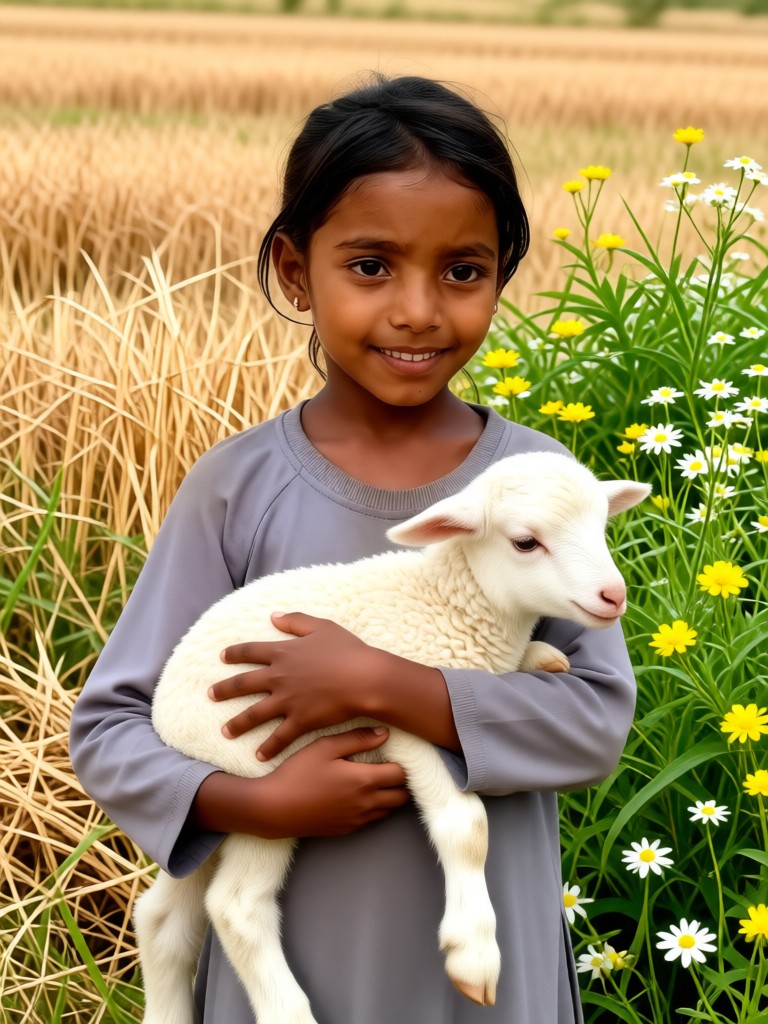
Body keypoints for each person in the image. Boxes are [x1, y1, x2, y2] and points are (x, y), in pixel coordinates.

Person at [69, 74, 636, 1023]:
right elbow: (112, 726)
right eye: (371, 266)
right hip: (295, 970)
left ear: (503, 273)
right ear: (296, 271)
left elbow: (593, 721)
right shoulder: (237, 488)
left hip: (489, 985)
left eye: (463, 272)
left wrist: (380, 682)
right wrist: (251, 806)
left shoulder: (540, 487)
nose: (418, 310)